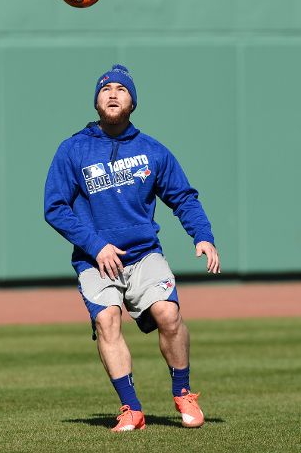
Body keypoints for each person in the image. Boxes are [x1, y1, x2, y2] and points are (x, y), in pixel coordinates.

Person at [44, 64, 220, 432]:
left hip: (142, 254)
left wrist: (202, 236)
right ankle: (131, 409)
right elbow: (55, 207)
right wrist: (95, 244)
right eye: (105, 88)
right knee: (107, 319)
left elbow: (183, 198)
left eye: (121, 89)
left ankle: (183, 392)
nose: (112, 93)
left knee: (168, 316)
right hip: (96, 259)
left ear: (132, 102)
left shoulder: (152, 151)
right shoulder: (73, 149)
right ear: (95, 101)